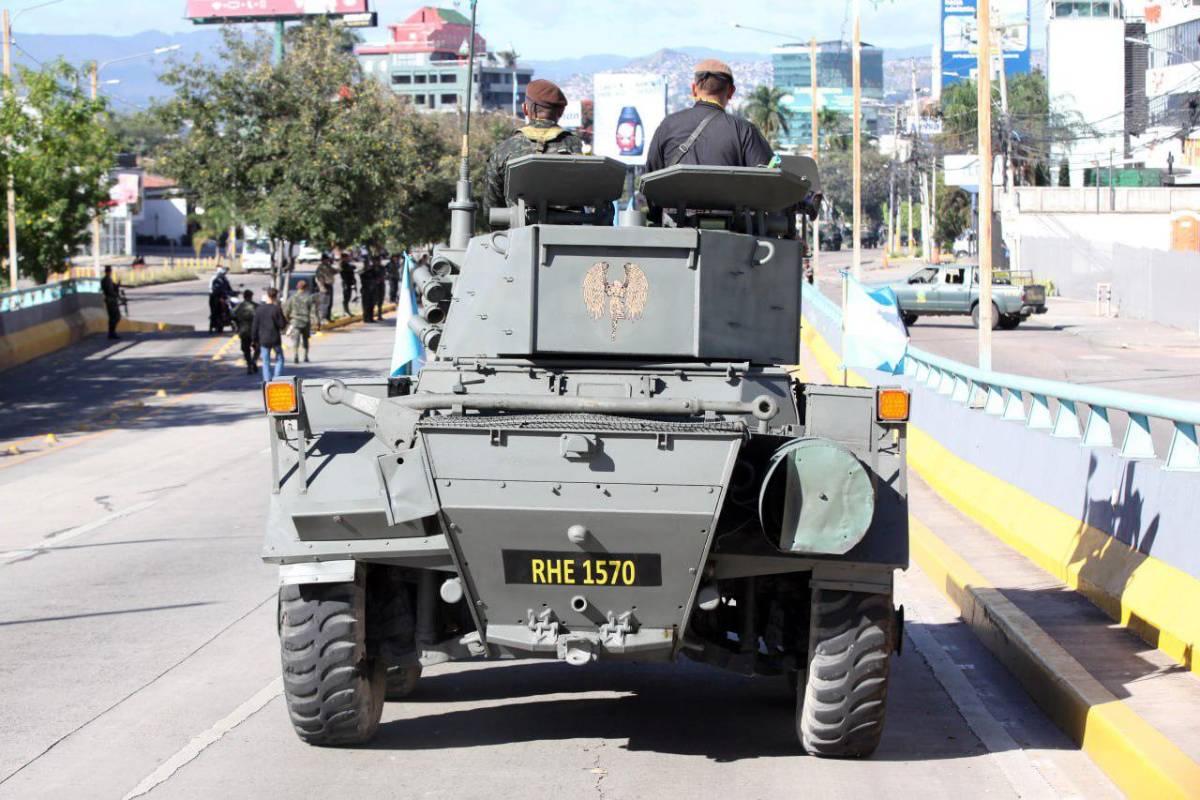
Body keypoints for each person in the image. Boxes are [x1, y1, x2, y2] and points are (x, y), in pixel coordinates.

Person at [645, 59, 775, 173]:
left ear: (694, 89)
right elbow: (767, 183)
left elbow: (651, 180)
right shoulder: (744, 131)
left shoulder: (668, 125)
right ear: (731, 91)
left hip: (673, 202)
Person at [484, 79, 583, 211]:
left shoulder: (505, 149)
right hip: (570, 229)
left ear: (525, 109)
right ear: (560, 113)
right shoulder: (574, 146)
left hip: (519, 230)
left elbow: (492, 209)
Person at [251, 286, 287, 382]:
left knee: (266, 361)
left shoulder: (259, 309)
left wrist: (254, 339)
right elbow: (282, 325)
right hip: (275, 338)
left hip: (263, 339)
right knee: (279, 358)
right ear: (275, 297)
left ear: (267, 296)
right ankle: (277, 377)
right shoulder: (277, 309)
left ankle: (267, 381)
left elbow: (255, 326)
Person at [284, 279, 319, 364]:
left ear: (297, 287)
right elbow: (313, 312)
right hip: (305, 321)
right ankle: (305, 356)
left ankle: (296, 355)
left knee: (295, 340)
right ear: (306, 287)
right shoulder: (309, 298)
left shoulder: (292, 298)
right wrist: (316, 322)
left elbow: (286, 310)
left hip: (295, 321)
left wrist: (288, 320)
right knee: (305, 339)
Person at [233, 289, 259, 374]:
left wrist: (238, 324)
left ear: (244, 296)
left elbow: (232, 316)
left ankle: (249, 364)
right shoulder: (256, 306)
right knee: (257, 348)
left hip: (244, 331)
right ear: (251, 296)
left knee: (246, 349)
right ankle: (254, 360)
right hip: (255, 331)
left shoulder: (239, 306)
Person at [208, 266, 236, 333]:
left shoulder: (225, 280)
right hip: (215, 297)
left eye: (225, 272)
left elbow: (229, 288)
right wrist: (221, 292)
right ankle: (211, 327)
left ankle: (231, 319)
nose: (225, 274)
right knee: (215, 311)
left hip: (224, 297)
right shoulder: (216, 280)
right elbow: (215, 289)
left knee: (230, 306)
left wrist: (234, 292)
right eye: (224, 273)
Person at [100, 265, 122, 340]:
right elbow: (109, 290)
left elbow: (113, 287)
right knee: (115, 317)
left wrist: (117, 285)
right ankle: (111, 332)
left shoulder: (108, 279)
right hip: (111, 300)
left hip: (111, 300)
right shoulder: (106, 280)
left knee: (114, 317)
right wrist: (116, 295)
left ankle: (112, 332)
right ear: (109, 271)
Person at [315, 254, 337, 325]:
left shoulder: (328, 266)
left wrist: (336, 264)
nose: (328, 260)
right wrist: (322, 288)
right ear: (323, 260)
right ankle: (323, 319)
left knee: (330, 303)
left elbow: (335, 271)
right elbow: (319, 278)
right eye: (327, 259)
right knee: (324, 304)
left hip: (329, 285)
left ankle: (328, 317)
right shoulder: (320, 268)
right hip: (324, 286)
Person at [359, 257, 380, 323]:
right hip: (366, 290)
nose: (368, 265)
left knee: (372, 304)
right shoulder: (363, 272)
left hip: (373, 289)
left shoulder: (373, 271)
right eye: (367, 264)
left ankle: (371, 318)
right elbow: (363, 280)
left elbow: (377, 277)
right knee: (366, 305)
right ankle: (366, 318)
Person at [339, 254, 356, 318]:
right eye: (346, 257)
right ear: (343, 258)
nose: (348, 258)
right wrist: (352, 267)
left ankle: (346, 311)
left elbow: (353, 267)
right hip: (346, 282)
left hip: (349, 282)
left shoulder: (347, 264)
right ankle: (346, 311)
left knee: (348, 297)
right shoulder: (342, 264)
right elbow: (349, 269)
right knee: (346, 297)